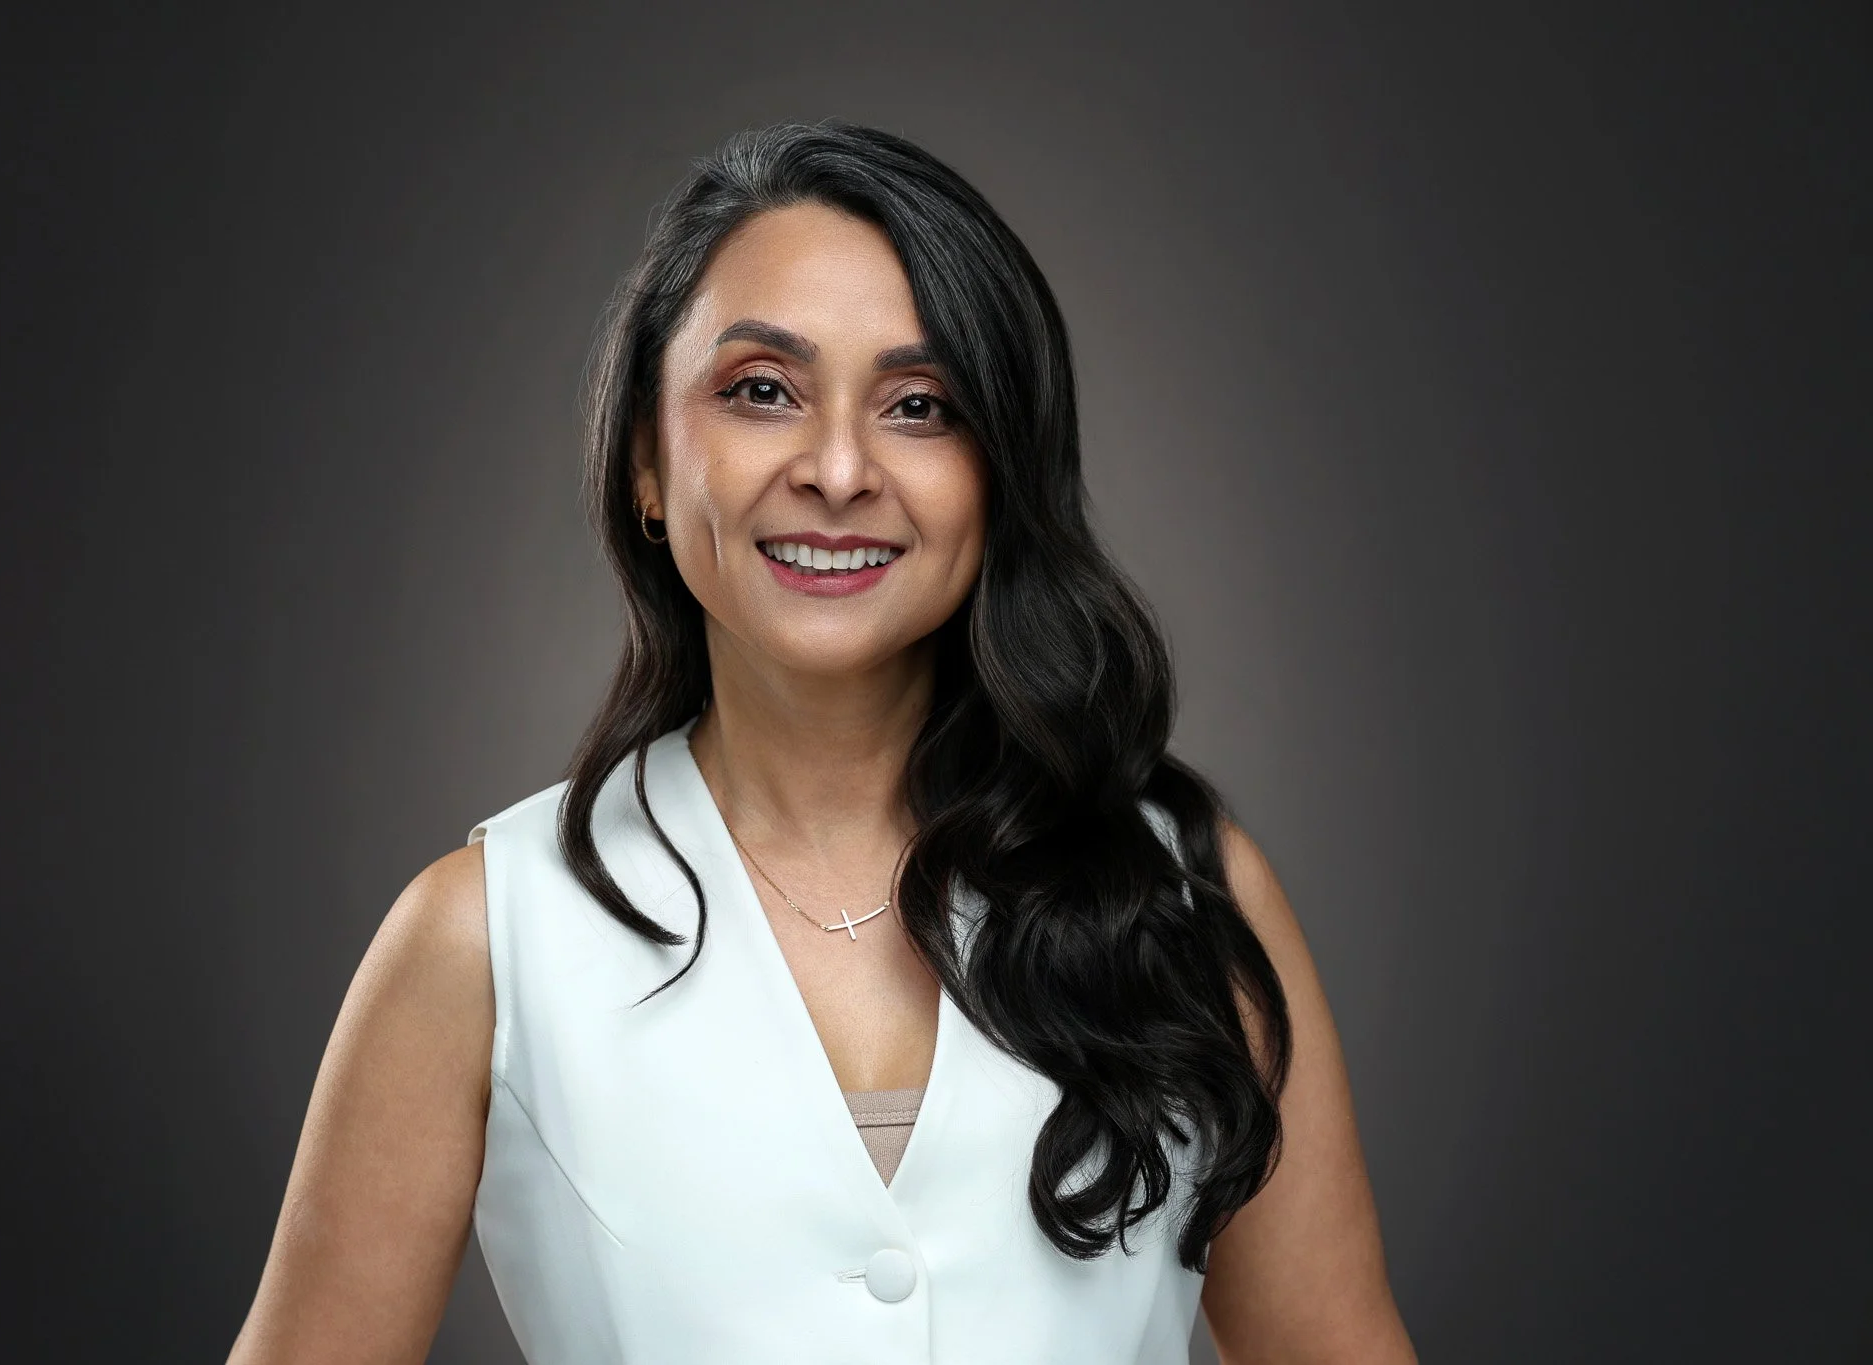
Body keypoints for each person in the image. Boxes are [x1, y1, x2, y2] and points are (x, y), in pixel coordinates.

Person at [228, 120, 1418, 1364]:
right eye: (760, 391)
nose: (839, 470)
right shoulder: (483, 936)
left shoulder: (1180, 888)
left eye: (919, 405)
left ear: (999, 470)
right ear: (646, 456)